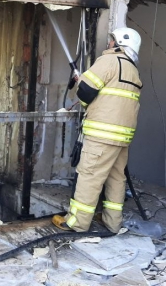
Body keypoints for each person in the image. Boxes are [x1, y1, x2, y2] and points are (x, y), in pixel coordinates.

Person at [52, 27, 143, 233]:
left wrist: (81, 82)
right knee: (116, 178)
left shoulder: (109, 61)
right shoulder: (132, 69)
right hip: (122, 137)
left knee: (89, 175)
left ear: (120, 44)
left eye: (112, 40)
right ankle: (112, 222)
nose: (109, 43)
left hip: (101, 136)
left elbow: (85, 93)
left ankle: (77, 222)